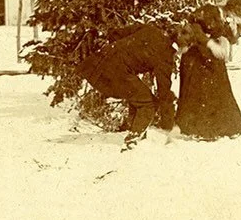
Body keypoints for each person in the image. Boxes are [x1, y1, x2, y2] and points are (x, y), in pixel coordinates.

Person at [76, 23, 198, 151]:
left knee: (137, 96)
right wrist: (169, 122)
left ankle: (134, 130)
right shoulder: (165, 55)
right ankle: (132, 141)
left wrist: (126, 54)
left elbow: (116, 34)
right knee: (148, 103)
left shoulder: (150, 29)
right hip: (116, 73)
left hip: (99, 61)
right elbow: (163, 91)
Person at [174, 0, 241, 141]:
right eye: (240, 17)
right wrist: (210, 43)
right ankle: (198, 131)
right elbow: (193, 28)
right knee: (199, 93)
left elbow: (230, 39)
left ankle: (225, 128)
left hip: (211, 60)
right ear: (232, 11)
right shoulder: (210, 11)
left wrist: (233, 32)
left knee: (220, 91)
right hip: (195, 58)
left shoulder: (230, 21)